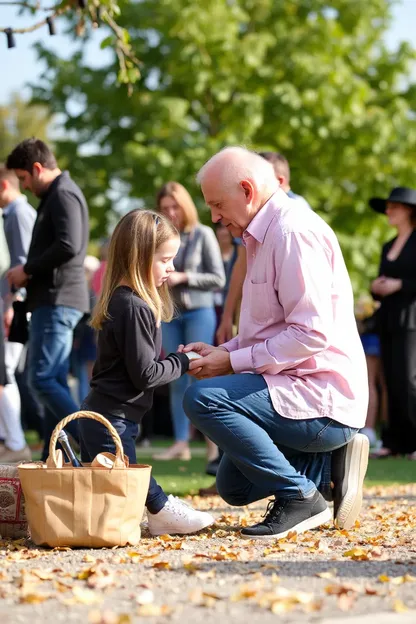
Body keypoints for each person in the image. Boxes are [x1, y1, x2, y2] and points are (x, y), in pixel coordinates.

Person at [182, 147, 369, 539]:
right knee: (233, 488)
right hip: (295, 391)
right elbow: (270, 331)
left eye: (217, 204)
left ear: (247, 190)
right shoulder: (262, 236)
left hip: (322, 397)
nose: (214, 217)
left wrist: (232, 364)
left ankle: (301, 495)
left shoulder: (291, 232)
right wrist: (225, 353)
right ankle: (324, 468)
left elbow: (311, 333)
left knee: (203, 399)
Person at [78, 209, 214, 535]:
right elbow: (147, 374)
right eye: (165, 260)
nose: (172, 268)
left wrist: (174, 359)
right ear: (139, 256)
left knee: (117, 491)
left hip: (109, 416)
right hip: (111, 420)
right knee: (136, 483)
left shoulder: (126, 302)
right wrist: (184, 362)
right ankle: (162, 509)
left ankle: (159, 508)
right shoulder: (133, 306)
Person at [6, 139, 89, 461]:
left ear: (37, 168)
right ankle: (54, 457)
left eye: (24, 179)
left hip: (58, 300)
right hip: (53, 300)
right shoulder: (58, 195)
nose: (24, 187)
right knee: (51, 379)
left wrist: (26, 269)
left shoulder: (63, 194)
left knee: (40, 379)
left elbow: (69, 245)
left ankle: (95, 441)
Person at [153, 182, 225, 461]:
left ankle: (213, 444)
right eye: (164, 208)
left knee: (200, 374)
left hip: (199, 312)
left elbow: (218, 278)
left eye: (175, 206)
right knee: (174, 377)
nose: (171, 213)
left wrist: (185, 278)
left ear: (185, 206)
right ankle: (180, 442)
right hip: (170, 314)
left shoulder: (203, 234)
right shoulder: (159, 236)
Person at [216, 151, 312, 345]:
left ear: (279, 181)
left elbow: (306, 327)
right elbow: (241, 265)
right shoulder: (252, 216)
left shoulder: (294, 219)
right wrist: (228, 316)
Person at [369, 187, 416, 460]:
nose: (389, 211)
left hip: (411, 318)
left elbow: (405, 282)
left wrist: (400, 285)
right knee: (391, 381)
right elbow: (381, 280)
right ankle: (396, 441)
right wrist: (377, 286)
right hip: (388, 318)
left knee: (409, 379)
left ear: (409, 210)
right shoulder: (388, 245)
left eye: (394, 206)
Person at [0, 165, 36, 463]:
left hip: (16, 305)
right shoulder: (15, 214)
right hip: (17, 304)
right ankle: (11, 438)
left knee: (5, 372)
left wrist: (13, 303)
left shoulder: (16, 215)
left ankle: (15, 441)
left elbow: (23, 263)